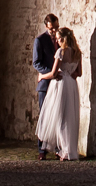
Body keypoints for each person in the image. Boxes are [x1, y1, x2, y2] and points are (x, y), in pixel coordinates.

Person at [35, 26, 83, 161]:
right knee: (70, 116)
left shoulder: (61, 52)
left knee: (60, 117)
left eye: (57, 39)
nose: (56, 41)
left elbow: (54, 73)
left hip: (61, 85)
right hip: (72, 85)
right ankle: (69, 150)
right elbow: (79, 73)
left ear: (62, 39)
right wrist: (69, 73)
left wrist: (42, 77)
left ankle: (65, 151)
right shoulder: (77, 53)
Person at [32, 13, 59, 160]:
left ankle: (57, 147)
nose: (54, 31)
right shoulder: (40, 41)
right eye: (52, 29)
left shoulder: (61, 39)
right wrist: (51, 73)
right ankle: (42, 149)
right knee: (44, 117)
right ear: (46, 27)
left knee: (57, 115)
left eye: (56, 27)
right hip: (46, 83)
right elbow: (36, 63)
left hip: (58, 84)